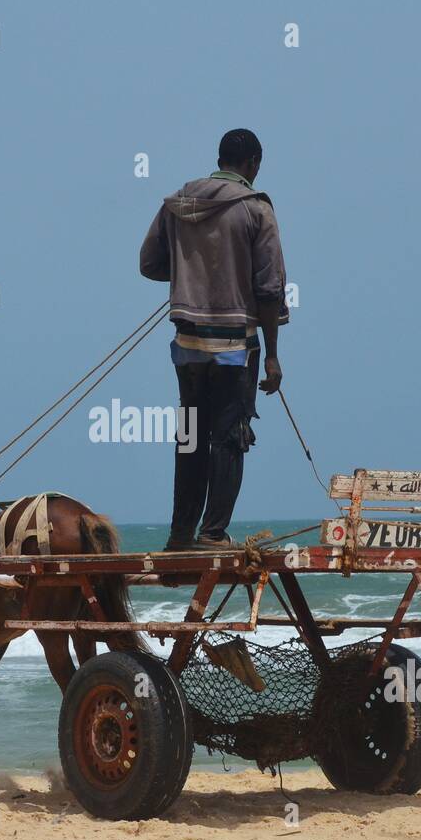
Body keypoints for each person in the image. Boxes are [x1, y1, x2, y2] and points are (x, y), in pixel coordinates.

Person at [139, 129, 288, 551]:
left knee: (189, 436)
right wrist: (273, 357)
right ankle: (212, 533)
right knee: (229, 436)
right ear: (253, 163)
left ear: (219, 158)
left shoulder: (179, 202)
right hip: (234, 348)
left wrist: (191, 275)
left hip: (186, 347)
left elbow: (150, 263)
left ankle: (179, 533)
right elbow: (270, 290)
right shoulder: (257, 209)